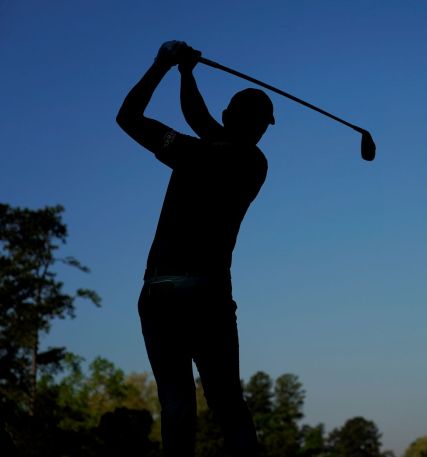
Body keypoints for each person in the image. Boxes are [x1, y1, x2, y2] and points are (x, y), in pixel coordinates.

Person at [116, 40, 274, 457]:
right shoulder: (252, 163)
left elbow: (129, 117)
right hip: (206, 296)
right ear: (259, 126)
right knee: (227, 403)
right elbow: (200, 120)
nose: (259, 130)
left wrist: (164, 66)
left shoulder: (194, 153)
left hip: (161, 293)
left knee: (177, 405)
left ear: (227, 119)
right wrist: (185, 73)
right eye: (260, 123)